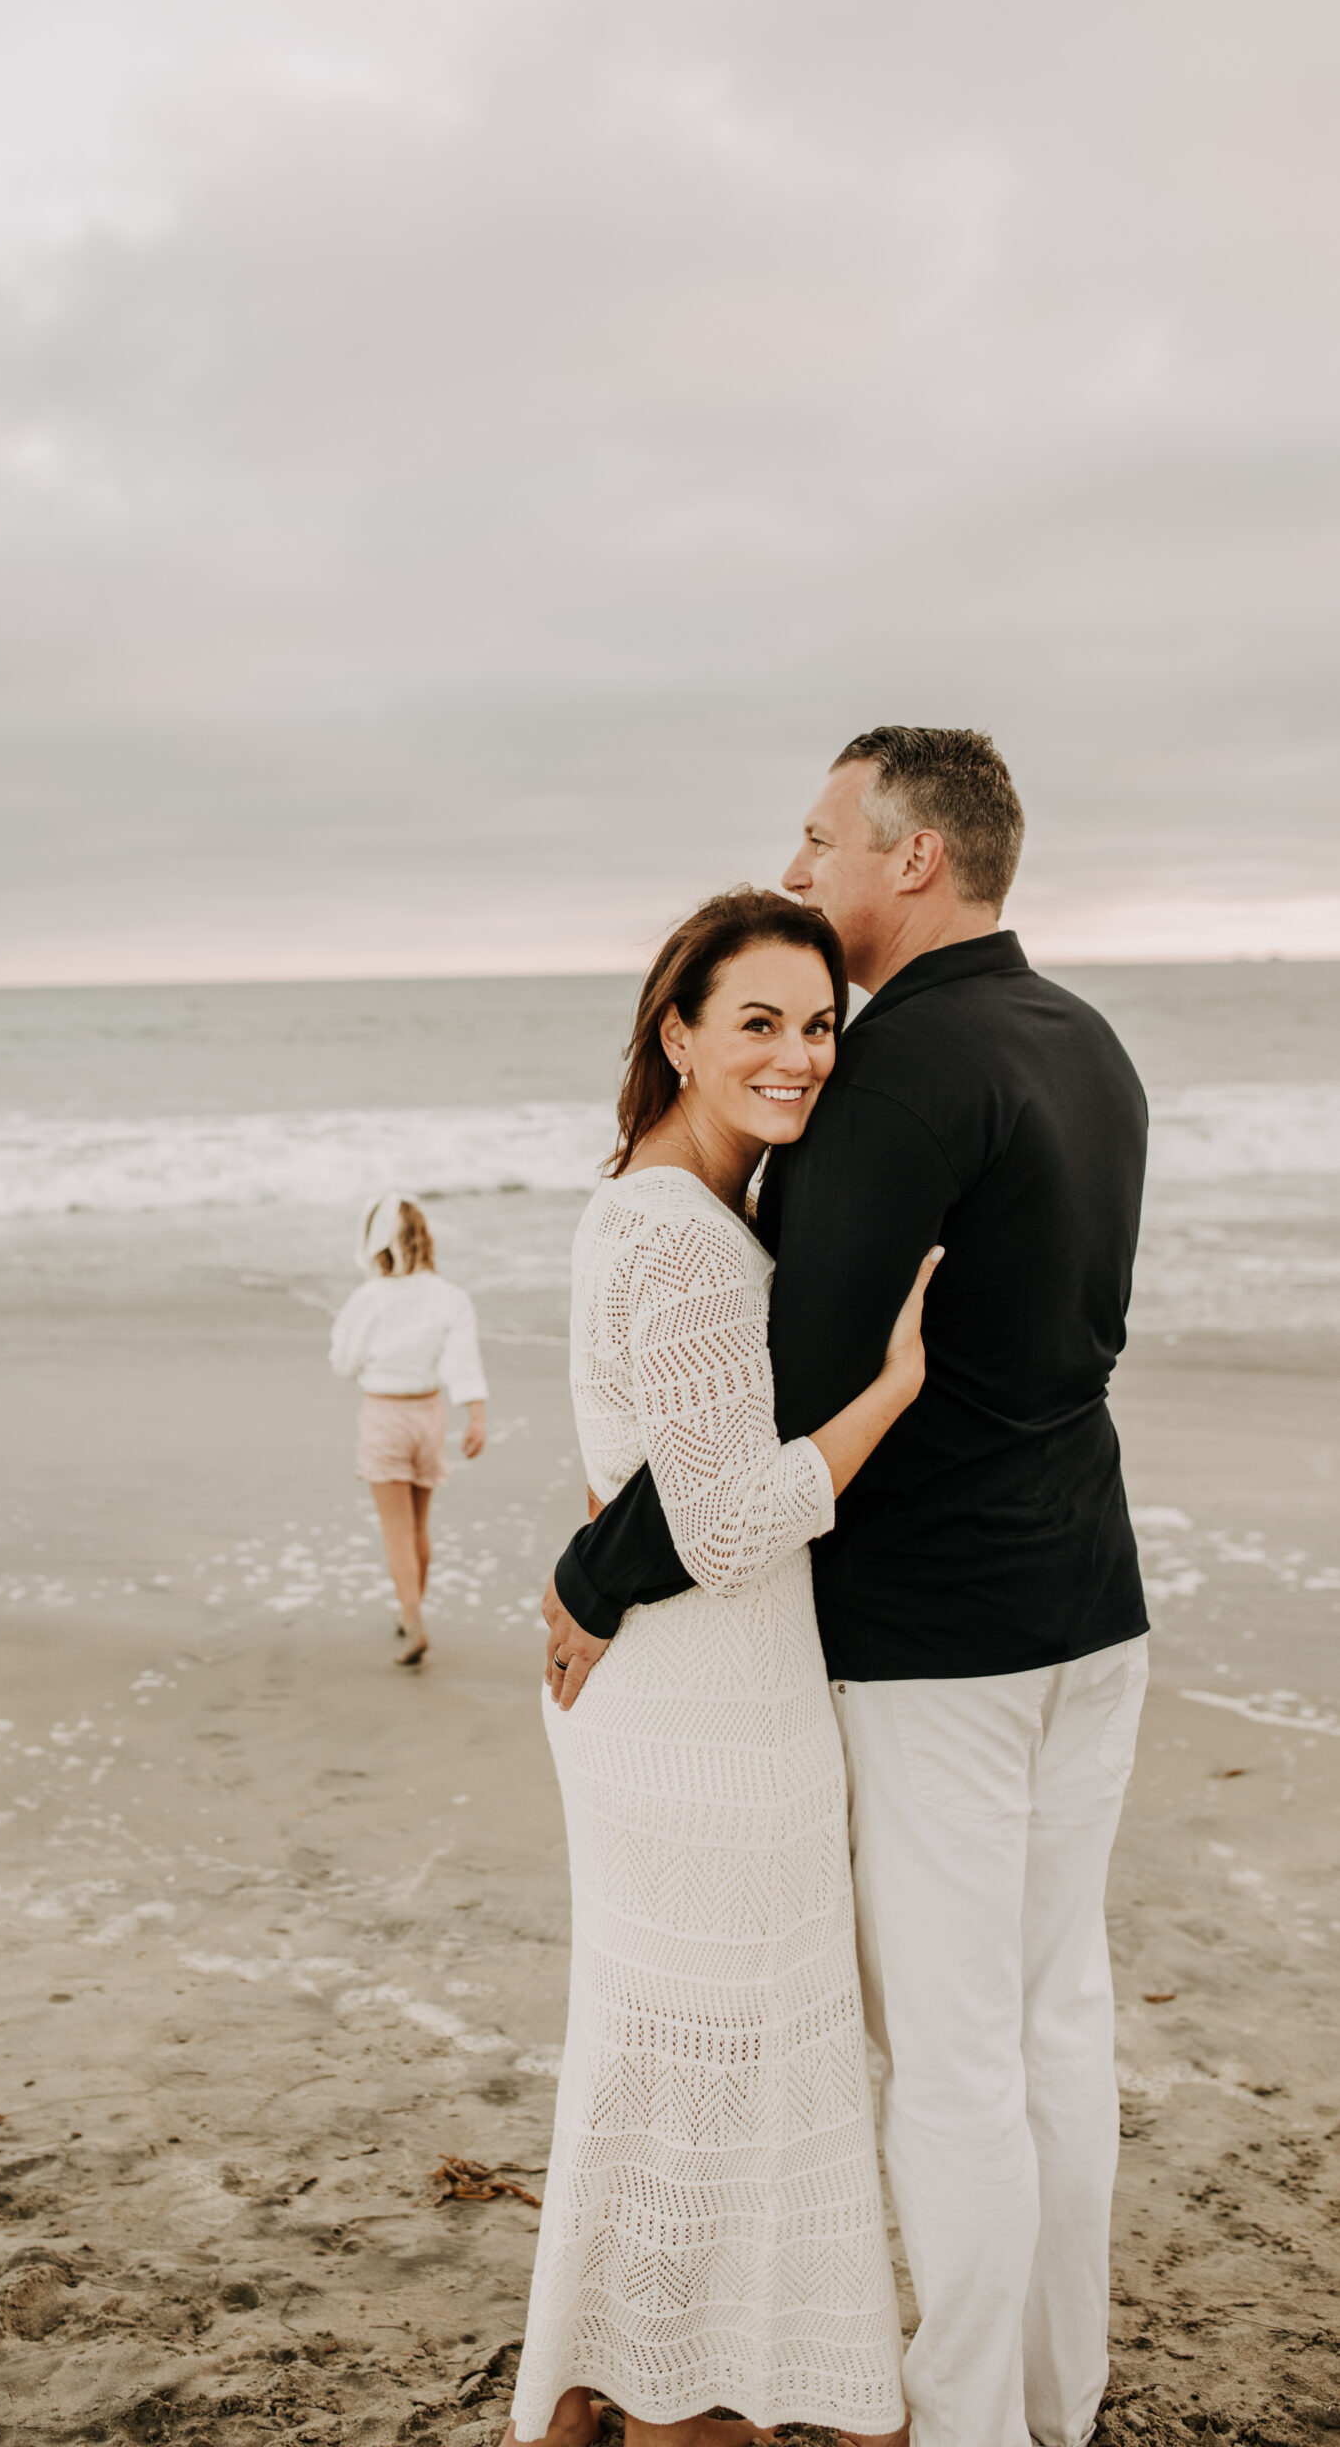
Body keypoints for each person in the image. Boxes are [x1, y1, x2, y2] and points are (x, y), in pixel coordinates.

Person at [541, 730, 1151, 2447]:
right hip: (1093, 1609)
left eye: (819, 840)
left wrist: (595, 1569)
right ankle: (1057, 2390)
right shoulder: (1087, 1045)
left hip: (944, 1644)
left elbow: (788, 1397)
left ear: (914, 860)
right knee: (1056, 2027)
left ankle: (969, 2424)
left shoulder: (902, 1071)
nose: (799, 869)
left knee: (956, 2058)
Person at [506, 888, 942, 2447]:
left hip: (684, 1700)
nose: (799, 1055)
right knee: (726, 2063)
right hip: (703, 1719)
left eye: (818, 1024)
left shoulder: (673, 1206)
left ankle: (606, 2388)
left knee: (674, 2066)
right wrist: (889, 1391)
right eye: (755, 1021)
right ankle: (691, 2400)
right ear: (675, 1032)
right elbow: (723, 1518)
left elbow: (637, 1489)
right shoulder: (681, 1237)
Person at [329, 1193, 487, 1666]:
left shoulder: (368, 1298)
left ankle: (412, 1618)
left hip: (384, 1416)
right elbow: (463, 1363)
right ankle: (411, 1610)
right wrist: (475, 1416)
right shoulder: (449, 1297)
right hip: (429, 1417)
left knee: (396, 1530)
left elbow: (343, 1361)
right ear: (424, 1237)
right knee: (419, 1525)